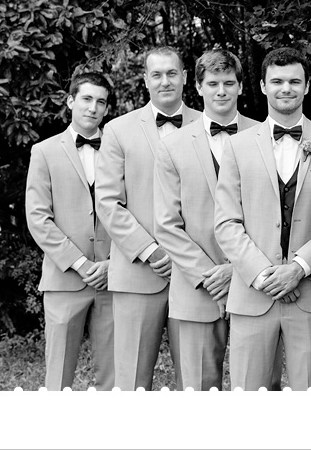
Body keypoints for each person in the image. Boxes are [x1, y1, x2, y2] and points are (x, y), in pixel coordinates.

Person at [215, 47, 311, 391]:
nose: (286, 88)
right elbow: (226, 222)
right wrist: (263, 275)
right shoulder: (237, 147)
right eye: (277, 81)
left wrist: (298, 268)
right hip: (253, 294)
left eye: (294, 81)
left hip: (310, 294)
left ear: (307, 86)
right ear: (262, 86)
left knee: (309, 395)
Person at [96, 46, 200, 390]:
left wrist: (187, 255)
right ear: (145, 80)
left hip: (195, 272)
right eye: (156, 74)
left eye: (171, 73)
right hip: (137, 273)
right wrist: (151, 251)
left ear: (185, 77)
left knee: (198, 381)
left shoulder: (209, 125)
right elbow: (108, 202)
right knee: (131, 381)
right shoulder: (117, 130)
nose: (165, 81)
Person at [154, 50, 259, 390]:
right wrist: (210, 275)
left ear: (240, 86)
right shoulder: (172, 146)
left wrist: (238, 269)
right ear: (198, 88)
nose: (221, 91)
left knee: (260, 388)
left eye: (229, 83)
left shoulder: (263, 136)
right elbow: (166, 224)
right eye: (212, 84)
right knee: (197, 391)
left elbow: (271, 216)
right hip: (196, 288)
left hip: (253, 285)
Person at [26, 72, 115, 390]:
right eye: (86, 99)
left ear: (107, 109)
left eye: (101, 102)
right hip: (65, 279)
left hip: (113, 278)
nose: (93, 108)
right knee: (58, 376)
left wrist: (113, 263)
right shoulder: (44, 151)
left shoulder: (120, 150)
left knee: (115, 377)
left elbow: (135, 211)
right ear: (70, 101)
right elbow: (38, 218)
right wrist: (80, 263)